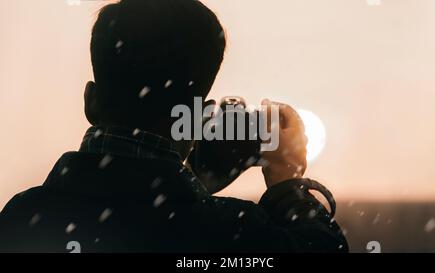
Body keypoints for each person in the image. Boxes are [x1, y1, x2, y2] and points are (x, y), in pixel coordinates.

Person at [0, 0, 348, 252]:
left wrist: (195, 185)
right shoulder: (233, 235)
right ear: (198, 117)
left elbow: (133, 219)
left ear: (90, 102)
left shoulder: (22, 217)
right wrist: (285, 180)